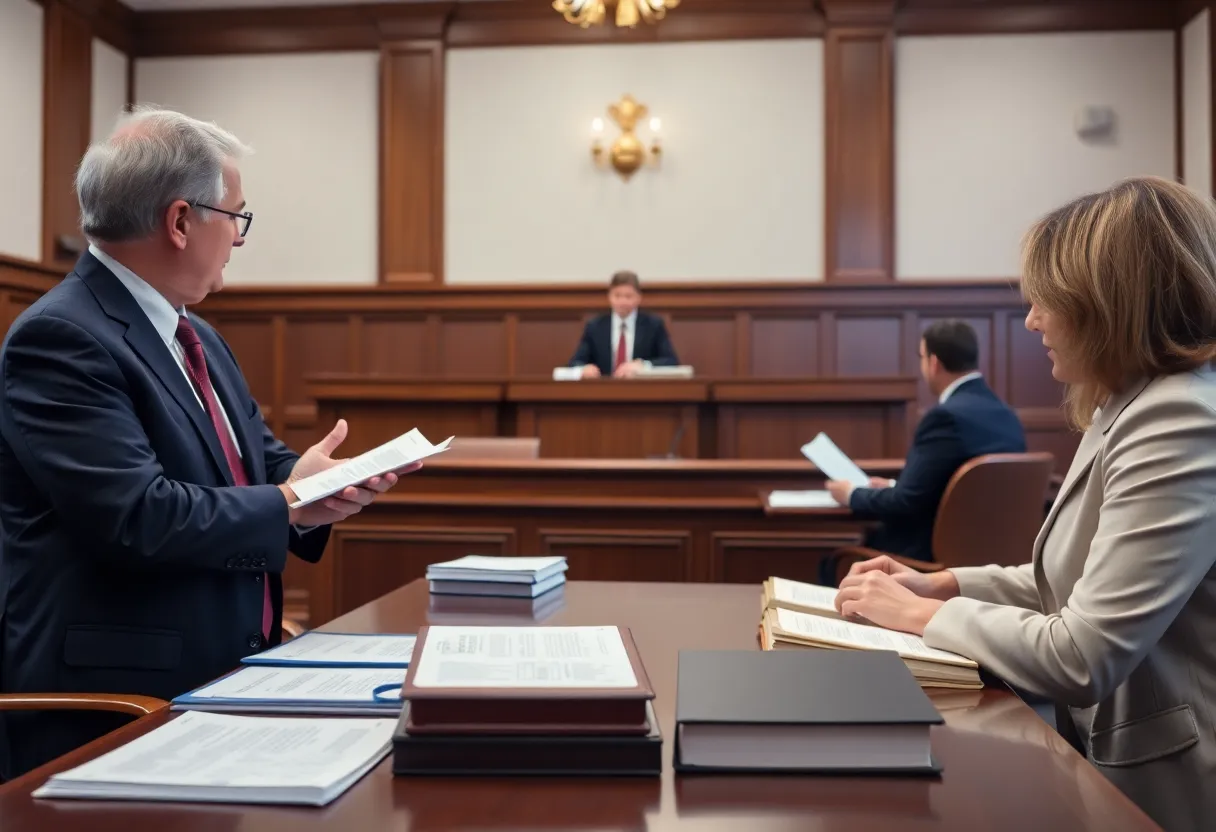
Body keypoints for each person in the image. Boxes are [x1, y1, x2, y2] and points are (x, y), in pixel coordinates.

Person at [0, 108, 415, 780]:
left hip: (216, 680)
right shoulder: (61, 340)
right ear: (181, 221)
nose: (240, 239)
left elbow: (250, 458)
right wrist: (288, 501)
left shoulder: (196, 332)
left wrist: (318, 480)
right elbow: (139, 516)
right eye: (237, 217)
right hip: (116, 712)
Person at [834, 176, 1216, 832]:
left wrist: (921, 613)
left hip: (1166, 785)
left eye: (1048, 300)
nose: (1032, 319)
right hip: (1098, 755)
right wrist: (943, 580)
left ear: (1108, 302)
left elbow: (1082, 653)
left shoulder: (1177, 418)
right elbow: (1063, 585)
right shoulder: (1126, 406)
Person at [824, 320, 1026, 566]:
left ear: (933, 363)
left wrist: (851, 494)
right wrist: (894, 484)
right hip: (998, 557)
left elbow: (906, 503)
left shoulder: (945, 418)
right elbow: (966, 491)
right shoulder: (1006, 415)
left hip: (932, 557)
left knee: (833, 561)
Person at [568, 270, 679, 378]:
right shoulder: (596, 326)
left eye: (628, 296)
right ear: (609, 297)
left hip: (641, 390)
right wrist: (584, 369)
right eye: (617, 296)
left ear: (638, 298)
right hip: (604, 391)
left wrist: (643, 366)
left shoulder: (653, 325)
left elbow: (671, 361)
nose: (622, 301)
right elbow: (575, 362)